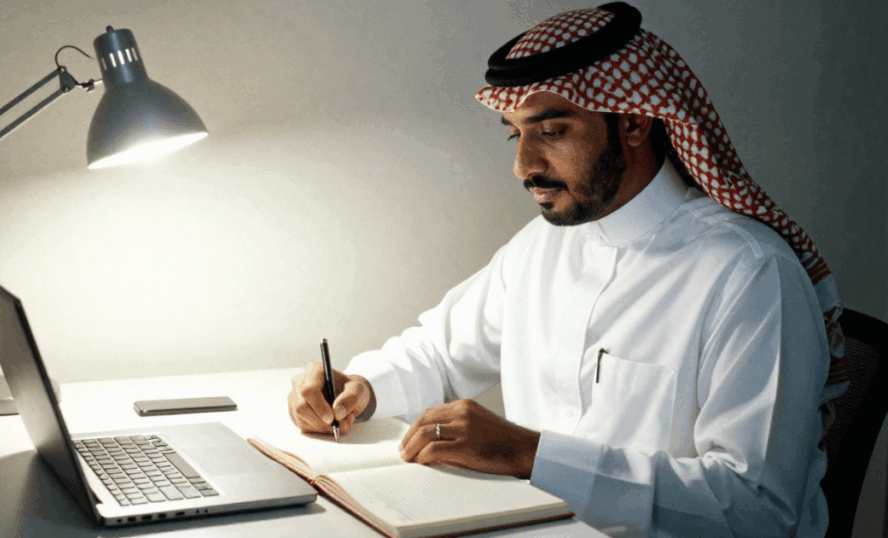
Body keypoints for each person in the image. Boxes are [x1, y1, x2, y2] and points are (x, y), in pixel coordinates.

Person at [287, 3, 847, 536]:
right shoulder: (543, 246)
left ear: (634, 121)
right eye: (516, 133)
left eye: (551, 132)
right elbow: (440, 352)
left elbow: (755, 509)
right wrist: (359, 389)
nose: (522, 165)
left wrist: (530, 455)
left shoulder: (749, 274)